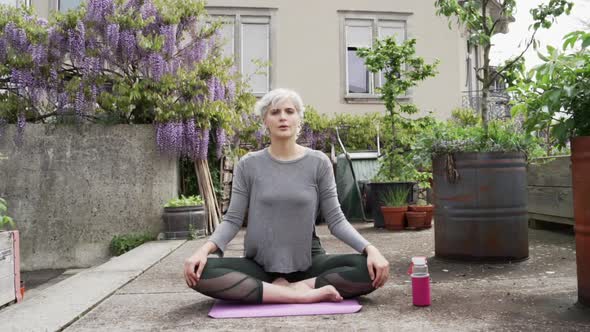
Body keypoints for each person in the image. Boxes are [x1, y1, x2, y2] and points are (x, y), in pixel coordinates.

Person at [183, 88, 389, 304]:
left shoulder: (318, 162)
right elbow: (233, 220)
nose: (283, 117)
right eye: (275, 112)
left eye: (289, 111)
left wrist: (371, 249)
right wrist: (203, 251)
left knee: (368, 269)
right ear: (265, 120)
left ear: (299, 118)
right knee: (199, 272)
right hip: (259, 266)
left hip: (309, 263)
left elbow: (336, 220)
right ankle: (303, 297)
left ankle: (294, 288)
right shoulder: (248, 165)